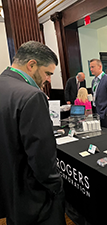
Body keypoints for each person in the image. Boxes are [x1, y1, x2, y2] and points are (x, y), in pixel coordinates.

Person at [0, 41, 66, 224]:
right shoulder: (32, 96)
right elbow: (41, 158)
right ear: (31, 65)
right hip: (34, 198)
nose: (48, 80)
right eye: (48, 73)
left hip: (10, 190)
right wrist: (57, 185)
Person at [90, 59, 107, 129]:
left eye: (93, 67)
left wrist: (106, 112)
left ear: (99, 67)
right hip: (96, 112)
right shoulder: (93, 81)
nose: (91, 69)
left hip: (106, 114)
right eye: (90, 67)